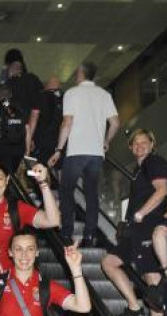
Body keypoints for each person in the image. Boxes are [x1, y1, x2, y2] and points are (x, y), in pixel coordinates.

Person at [101, 129, 167, 316]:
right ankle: (135, 307)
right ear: (130, 148)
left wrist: (141, 213)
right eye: (135, 143)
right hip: (136, 232)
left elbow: (162, 190)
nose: (139, 146)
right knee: (109, 262)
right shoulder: (140, 170)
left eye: (144, 142)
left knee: (152, 278)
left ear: (152, 143)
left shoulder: (154, 162)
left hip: (149, 228)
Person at [48, 62, 120, 247]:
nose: (74, 75)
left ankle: (67, 232)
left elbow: (67, 122)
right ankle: (89, 235)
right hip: (96, 154)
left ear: (81, 74)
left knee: (66, 190)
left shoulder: (72, 93)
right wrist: (106, 141)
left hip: (77, 152)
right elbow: (115, 123)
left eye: (76, 72)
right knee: (91, 194)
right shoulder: (104, 95)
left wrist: (58, 149)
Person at [0, 85, 28, 177]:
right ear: (11, 95)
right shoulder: (20, 107)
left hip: (1, 149)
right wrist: (27, 149)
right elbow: (27, 129)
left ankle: (9, 189)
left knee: (4, 174)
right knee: (12, 174)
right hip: (19, 149)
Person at [29, 77, 63, 170]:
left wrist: (30, 138)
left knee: (40, 170)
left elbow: (34, 118)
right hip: (60, 143)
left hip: (42, 142)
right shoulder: (65, 97)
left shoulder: (40, 96)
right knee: (58, 169)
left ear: (46, 86)